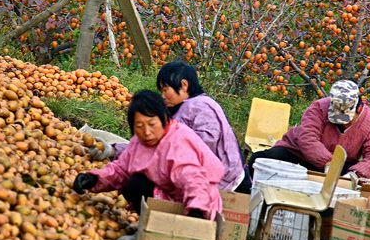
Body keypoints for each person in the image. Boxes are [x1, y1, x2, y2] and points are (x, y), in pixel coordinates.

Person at [89, 61, 251, 194]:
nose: (163, 96)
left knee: (142, 184)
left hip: (226, 184)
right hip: (205, 179)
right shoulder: (183, 107)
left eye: (166, 90)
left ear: (184, 85)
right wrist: (114, 150)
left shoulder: (202, 106)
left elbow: (202, 145)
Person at [73, 90, 224, 220]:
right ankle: (152, 223)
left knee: (137, 184)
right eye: (139, 126)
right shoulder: (139, 143)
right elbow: (121, 169)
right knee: (133, 182)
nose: (146, 132)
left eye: (152, 124)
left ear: (164, 118)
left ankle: (160, 226)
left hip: (196, 205)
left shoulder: (178, 142)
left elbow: (194, 180)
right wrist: (94, 179)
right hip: (168, 199)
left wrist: (196, 212)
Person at [248, 80, 370, 180]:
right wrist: (328, 163)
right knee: (258, 160)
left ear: (358, 109)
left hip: (341, 166)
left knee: (355, 186)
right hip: (298, 153)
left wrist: (355, 174)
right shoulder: (319, 107)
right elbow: (308, 138)